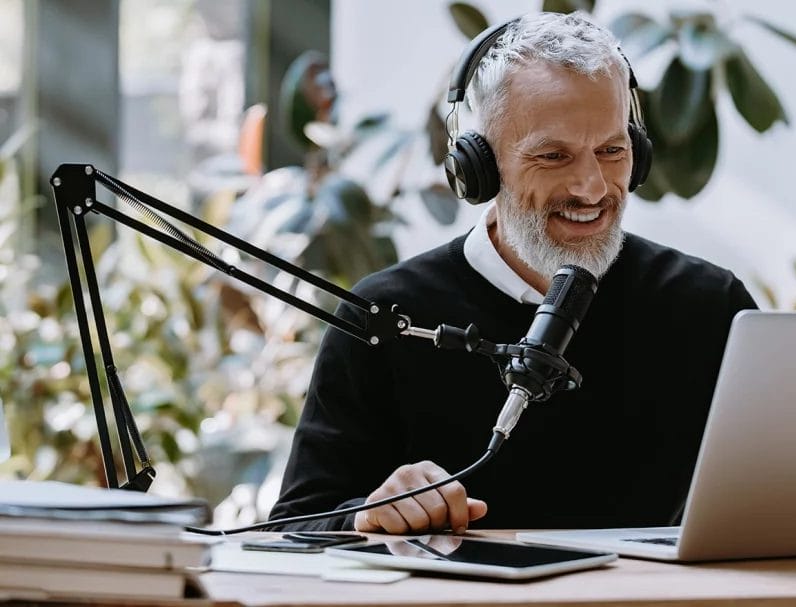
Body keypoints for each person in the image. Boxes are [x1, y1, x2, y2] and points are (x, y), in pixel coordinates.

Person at [269, 11, 758, 534]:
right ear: (478, 166)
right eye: (554, 156)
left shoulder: (712, 306)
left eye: (612, 150)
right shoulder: (385, 318)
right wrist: (366, 515)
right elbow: (289, 530)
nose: (592, 187)